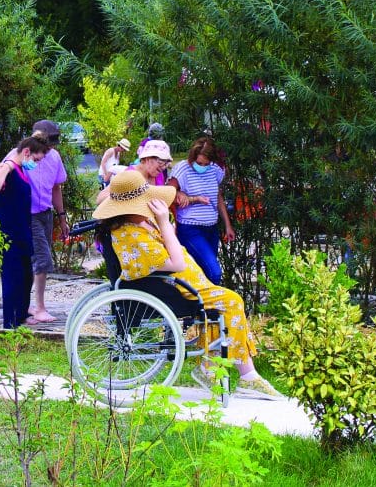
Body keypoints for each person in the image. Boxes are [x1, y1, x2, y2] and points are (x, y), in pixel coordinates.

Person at [92, 170, 279, 396]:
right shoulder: (131, 234)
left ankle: (220, 368)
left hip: (186, 284)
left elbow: (106, 199)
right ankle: (241, 374)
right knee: (231, 301)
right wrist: (163, 222)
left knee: (223, 303)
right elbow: (177, 263)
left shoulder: (135, 224)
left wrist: (157, 221)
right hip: (176, 288)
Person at [4, 119, 69, 323]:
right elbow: (1, 172)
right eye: (47, 143)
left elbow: (56, 187)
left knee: (37, 260)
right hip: (27, 214)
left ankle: (26, 305)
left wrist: (62, 216)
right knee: (42, 260)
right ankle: (39, 307)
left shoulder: (54, 157)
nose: (49, 148)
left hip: (45, 213)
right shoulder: (20, 153)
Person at [0, 135, 51, 328]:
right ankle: (10, 322)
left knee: (25, 274)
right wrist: (5, 167)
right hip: (9, 231)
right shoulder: (10, 168)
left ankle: (21, 314)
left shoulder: (22, 169)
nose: (37, 164)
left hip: (22, 228)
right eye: (36, 160)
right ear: (26, 153)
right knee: (12, 276)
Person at [169, 136, 235, 284]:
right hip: (190, 228)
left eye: (206, 164)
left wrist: (227, 225)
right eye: (199, 163)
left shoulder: (215, 170)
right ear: (193, 157)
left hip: (211, 228)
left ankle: (200, 307)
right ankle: (208, 306)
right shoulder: (182, 169)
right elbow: (168, 193)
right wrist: (180, 193)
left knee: (205, 274)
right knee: (214, 272)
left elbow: (217, 196)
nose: (202, 166)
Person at [96, 139, 172, 204]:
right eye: (161, 161)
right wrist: (127, 195)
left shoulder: (159, 174)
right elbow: (100, 199)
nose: (164, 166)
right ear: (147, 158)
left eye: (167, 162)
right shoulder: (130, 174)